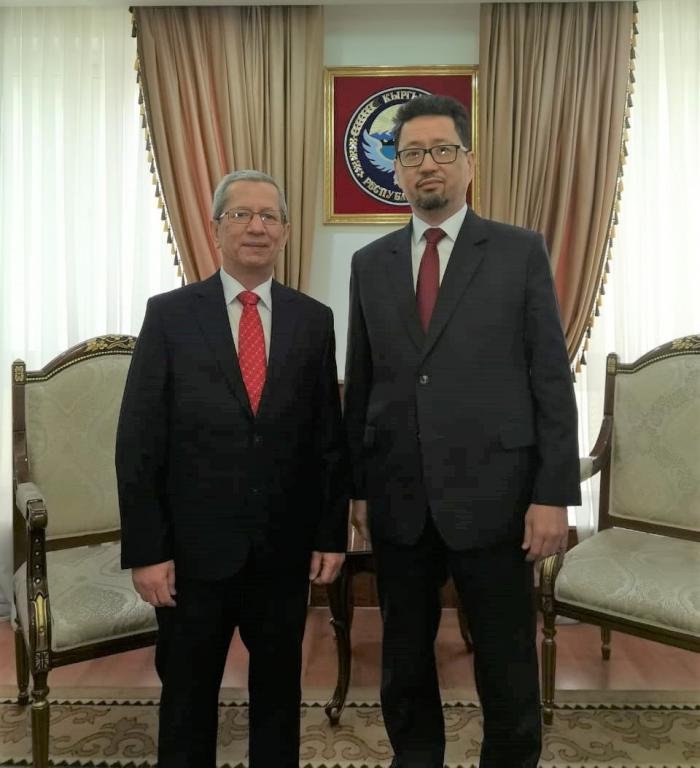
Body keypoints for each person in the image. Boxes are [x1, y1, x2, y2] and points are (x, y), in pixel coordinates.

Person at [343, 95, 580, 768]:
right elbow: (363, 381)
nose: (428, 165)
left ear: (469, 162)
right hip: (399, 498)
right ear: (396, 170)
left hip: (499, 498)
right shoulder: (369, 263)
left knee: (506, 661)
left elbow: (549, 379)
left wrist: (552, 494)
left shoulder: (518, 251)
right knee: (403, 661)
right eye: (412, 153)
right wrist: (357, 490)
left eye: (442, 150)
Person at [116, 170, 348, 768]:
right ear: (215, 228)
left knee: (279, 699)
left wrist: (330, 532)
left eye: (269, 216)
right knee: (187, 701)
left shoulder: (313, 320)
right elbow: (139, 442)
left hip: (282, 553)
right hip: (191, 556)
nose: (256, 227)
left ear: (286, 232)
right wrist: (147, 551)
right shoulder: (169, 316)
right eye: (240, 214)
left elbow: (328, 439)